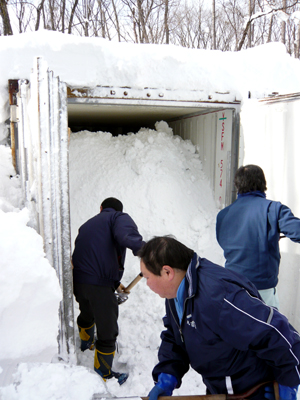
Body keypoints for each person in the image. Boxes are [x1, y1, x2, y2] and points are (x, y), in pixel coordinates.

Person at [138, 236, 300, 400]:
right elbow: (176, 335)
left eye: (147, 277)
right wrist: (167, 374)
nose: (147, 284)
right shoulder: (177, 294)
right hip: (222, 389)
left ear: (167, 272)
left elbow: (275, 331)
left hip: (252, 390)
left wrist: (288, 382)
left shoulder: (218, 296)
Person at [72, 197, 145, 385]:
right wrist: (148, 252)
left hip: (79, 280)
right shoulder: (117, 218)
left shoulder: (86, 225)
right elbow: (126, 235)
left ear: (101, 208)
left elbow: (92, 254)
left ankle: (86, 341)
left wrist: (114, 283)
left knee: (87, 311)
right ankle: (103, 373)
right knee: (107, 329)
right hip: (99, 284)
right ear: (118, 211)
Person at [216, 164, 300, 308]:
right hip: (262, 290)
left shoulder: (223, 215)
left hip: (232, 286)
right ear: (263, 184)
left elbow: (225, 241)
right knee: (268, 328)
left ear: (238, 186)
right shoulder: (274, 209)